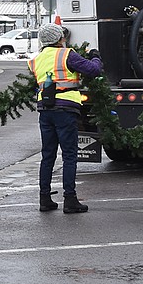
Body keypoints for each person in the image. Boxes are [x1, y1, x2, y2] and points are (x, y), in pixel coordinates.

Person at [30, 22, 103, 214]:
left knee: (48, 154)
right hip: (66, 109)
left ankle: (45, 199)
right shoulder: (67, 54)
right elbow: (93, 70)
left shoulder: (37, 59)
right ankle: (70, 200)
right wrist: (96, 57)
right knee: (69, 155)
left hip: (45, 109)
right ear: (58, 39)